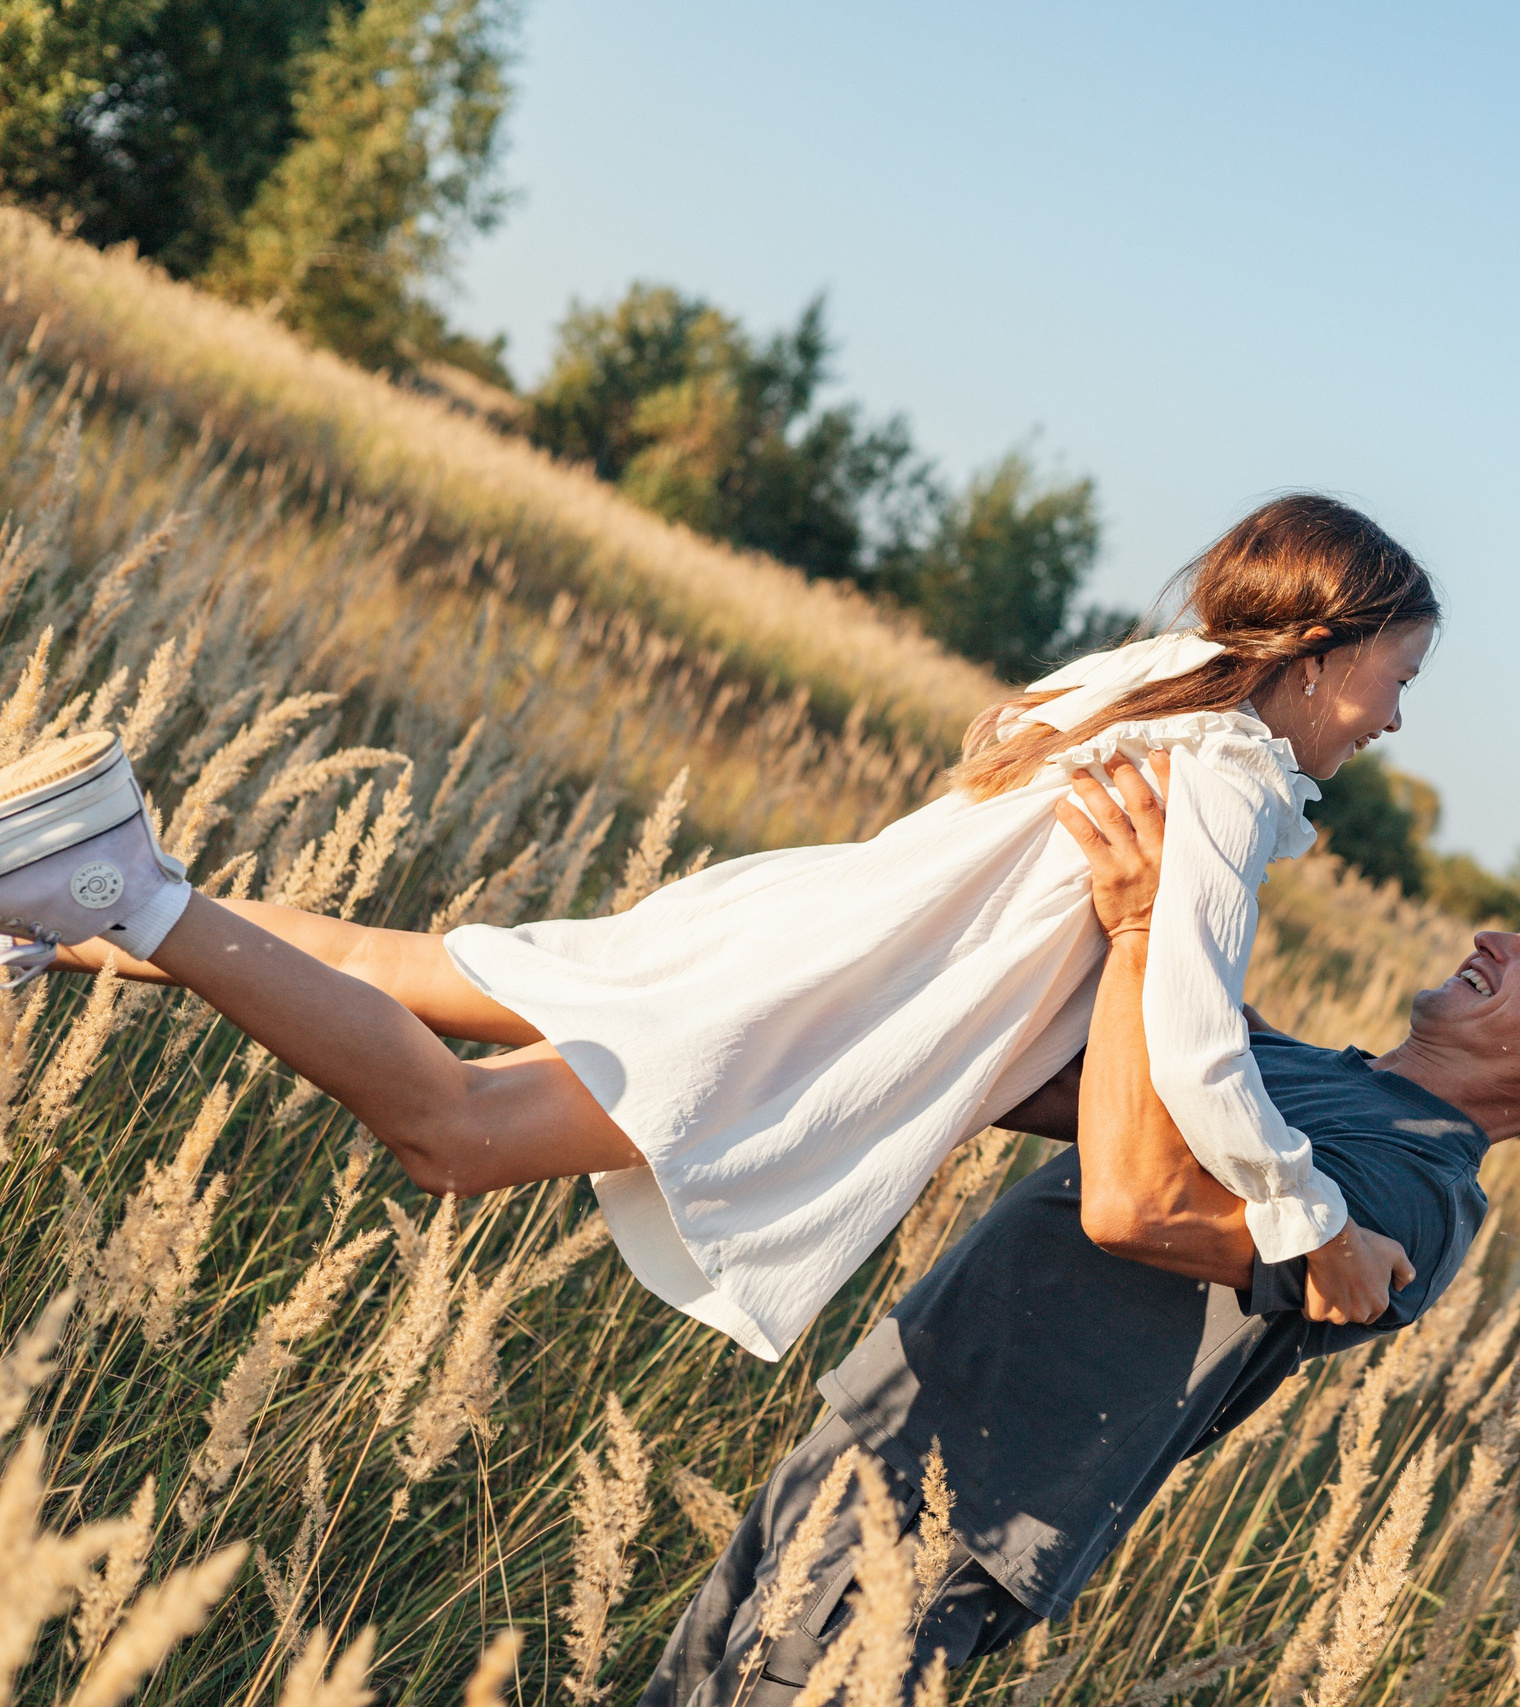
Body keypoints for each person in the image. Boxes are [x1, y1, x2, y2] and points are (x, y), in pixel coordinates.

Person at [0, 496, 1437, 1354]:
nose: (1394, 714)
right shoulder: (1232, 783)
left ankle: (42, 908)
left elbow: (998, 780)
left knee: (406, 965)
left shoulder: (1149, 687)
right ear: (1317, 654)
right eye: (1394, 674)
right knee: (454, 1130)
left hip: (783, 928)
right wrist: (1309, 1219)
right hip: (791, 1016)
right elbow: (1188, 1041)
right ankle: (122, 887)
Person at [644, 747, 1520, 1704]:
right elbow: (1026, 1071)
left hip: (952, 1517)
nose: (1498, 937)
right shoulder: (1286, 1070)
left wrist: (1151, 928)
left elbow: (1142, 1208)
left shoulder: (1419, 1193)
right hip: (873, 1426)